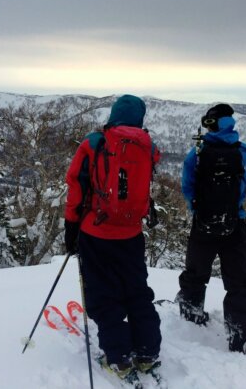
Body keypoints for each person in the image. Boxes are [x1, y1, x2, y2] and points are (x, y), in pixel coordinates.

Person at [64, 94, 162, 383]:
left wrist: (72, 227)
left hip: (96, 233)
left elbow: (76, 186)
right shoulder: (148, 147)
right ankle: (147, 353)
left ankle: (118, 359)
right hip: (131, 234)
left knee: (103, 295)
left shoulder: (94, 143)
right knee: (136, 291)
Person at [176, 103, 246, 359]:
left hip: (203, 225)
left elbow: (187, 186)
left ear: (210, 123)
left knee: (195, 273)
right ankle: (240, 338)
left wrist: (197, 209)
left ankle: (190, 317)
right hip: (235, 226)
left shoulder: (197, 153)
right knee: (238, 283)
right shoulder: (245, 154)